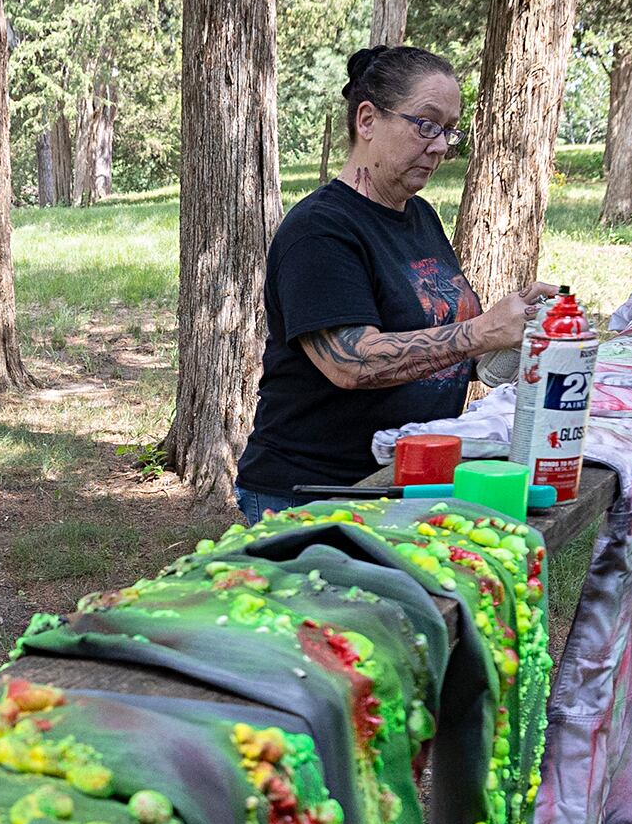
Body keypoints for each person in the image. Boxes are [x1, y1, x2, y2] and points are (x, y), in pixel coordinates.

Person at [233, 44, 557, 518]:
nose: (442, 145)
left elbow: (451, 346)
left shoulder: (420, 216)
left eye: (449, 130)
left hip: (407, 479)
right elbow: (351, 363)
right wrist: (482, 331)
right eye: (426, 124)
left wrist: (514, 325)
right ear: (367, 120)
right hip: (315, 492)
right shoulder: (320, 230)